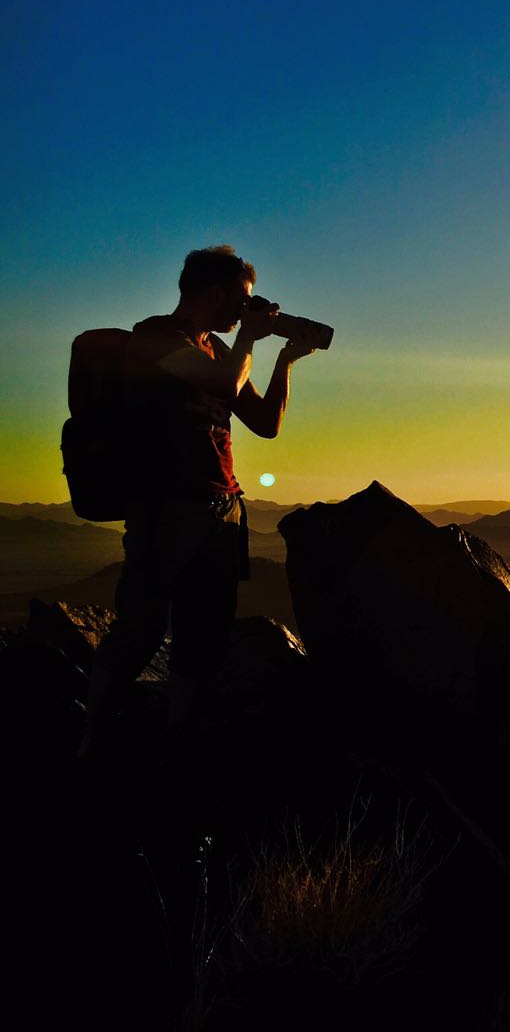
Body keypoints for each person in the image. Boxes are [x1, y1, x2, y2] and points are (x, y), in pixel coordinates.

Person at [77, 246, 318, 759]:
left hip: (220, 510)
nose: (247, 312)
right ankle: (92, 738)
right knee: (140, 628)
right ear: (215, 292)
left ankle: (176, 743)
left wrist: (284, 360)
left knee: (201, 637)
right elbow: (222, 384)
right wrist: (251, 338)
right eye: (243, 300)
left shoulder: (217, 350)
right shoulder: (156, 338)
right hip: (166, 509)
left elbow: (266, 424)